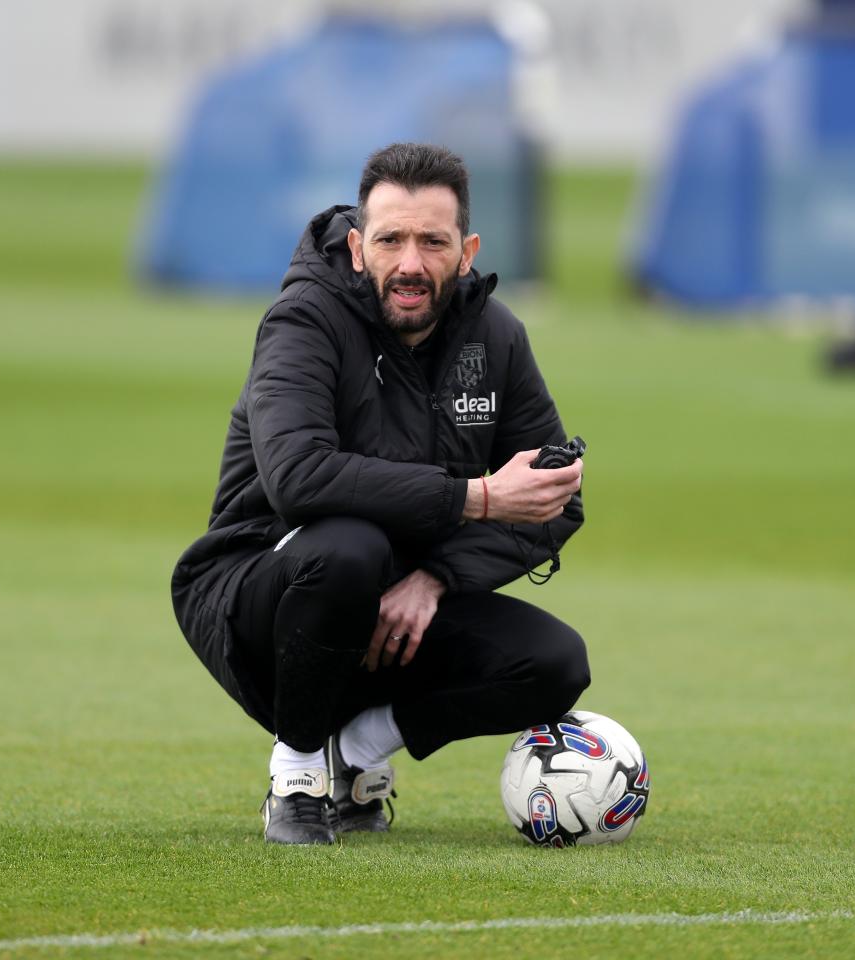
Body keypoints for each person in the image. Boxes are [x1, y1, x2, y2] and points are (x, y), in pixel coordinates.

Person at [170, 142, 588, 845]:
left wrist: (437, 577)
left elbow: (556, 500)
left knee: (554, 664)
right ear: (359, 248)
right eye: (392, 240)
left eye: (434, 242)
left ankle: (359, 749)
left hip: (394, 609)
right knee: (349, 550)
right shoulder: (303, 320)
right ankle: (297, 775)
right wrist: (477, 498)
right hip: (259, 593)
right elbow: (299, 477)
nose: (411, 264)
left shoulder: (496, 336)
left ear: (467, 251)